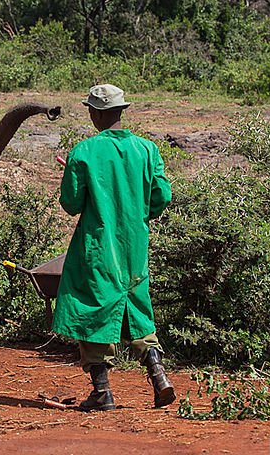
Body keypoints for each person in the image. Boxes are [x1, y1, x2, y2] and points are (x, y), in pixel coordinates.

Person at [52, 84, 174, 412]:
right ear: (121, 111)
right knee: (135, 304)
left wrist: (74, 177)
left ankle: (102, 391)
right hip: (134, 245)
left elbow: (71, 203)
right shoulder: (148, 150)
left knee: (89, 306)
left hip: (97, 247)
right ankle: (158, 374)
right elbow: (161, 197)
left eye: (91, 110)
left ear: (98, 113)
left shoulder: (83, 152)